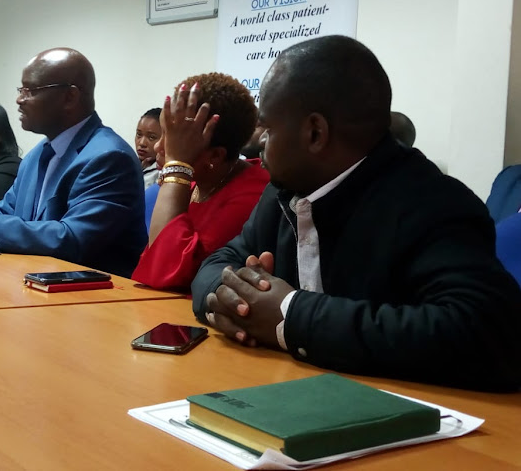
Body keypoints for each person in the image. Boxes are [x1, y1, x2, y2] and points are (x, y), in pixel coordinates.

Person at [192, 35, 521, 392]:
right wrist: (234, 303)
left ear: (315, 133)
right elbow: (218, 263)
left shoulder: (434, 205)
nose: (258, 144)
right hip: (297, 394)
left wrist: (291, 313)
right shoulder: (283, 192)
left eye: (269, 129)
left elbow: (482, 333)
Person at [0, 47, 147, 277]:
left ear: (70, 96)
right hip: (36, 287)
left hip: (97, 301)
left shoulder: (108, 157)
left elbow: (72, 239)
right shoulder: (39, 154)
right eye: (21, 89)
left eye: (30, 90)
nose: (19, 99)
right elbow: (5, 211)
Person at [131, 74, 269, 291]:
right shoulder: (199, 181)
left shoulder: (254, 194)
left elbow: (166, 273)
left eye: (175, 140)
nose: (158, 147)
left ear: (215, 156)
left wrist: (177, 165)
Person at [135, 108, 162, 189]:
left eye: (151, 137)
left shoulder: (162, 174)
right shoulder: (129, 165)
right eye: (139, 135)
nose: (142, 143)